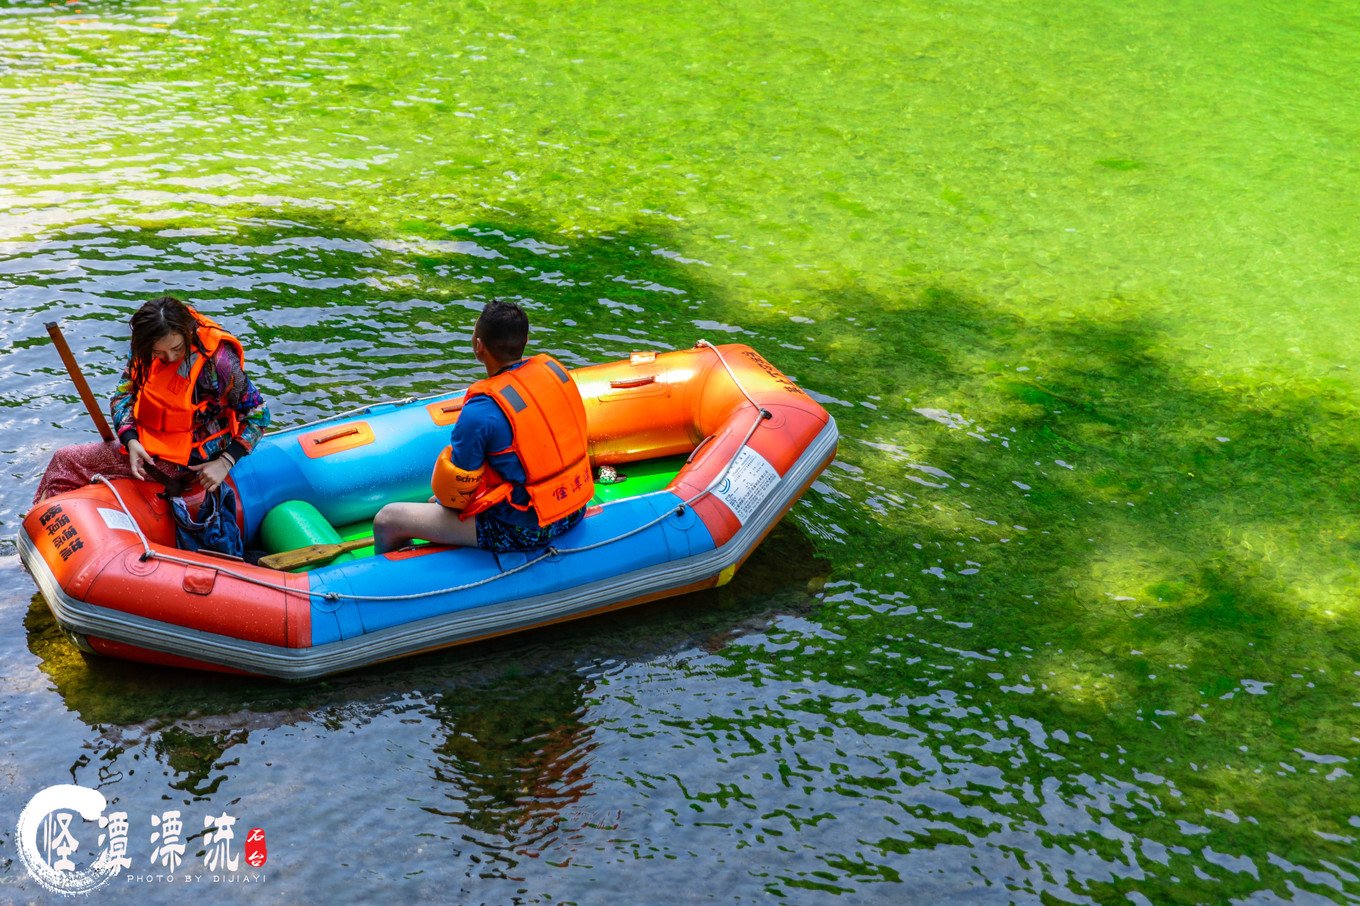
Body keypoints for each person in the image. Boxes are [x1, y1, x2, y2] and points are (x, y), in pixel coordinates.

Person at [373, 299, 593, 555]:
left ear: (478, 346)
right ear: (525, 340)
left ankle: (399, 583)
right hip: (574, 507)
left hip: (525, 530)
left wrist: (444, 503)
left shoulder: (481, 411)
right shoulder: (554, 375)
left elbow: (459, 489)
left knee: (387, 519)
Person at [32, 295, 271, 503]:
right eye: (159, 353)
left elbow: (259, 414)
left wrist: (226, 462)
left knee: (65, 460)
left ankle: (34, 531)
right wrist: (130, 440)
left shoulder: (219, 362)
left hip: (191, 459)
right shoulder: (145, 348)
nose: (169, 357)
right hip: (148, 446)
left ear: (188, 331)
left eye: (177, 348)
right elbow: (123, 395)